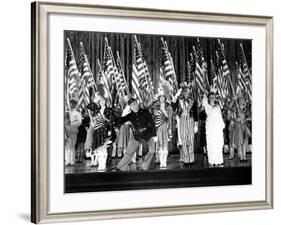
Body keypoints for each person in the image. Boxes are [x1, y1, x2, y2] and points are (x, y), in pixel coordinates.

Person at [112, 98, 158, 171]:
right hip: (137, 135)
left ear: (137, 103)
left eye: (135, 103)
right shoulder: (130, 115)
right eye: (132, 105)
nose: (134, 106)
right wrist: (113, 118)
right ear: (130, 106)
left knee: (152, 150)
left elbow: (152, 123)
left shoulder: (145, 112)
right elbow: (121, 120)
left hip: (147, 134)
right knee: (129, 152)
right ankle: (119, 167)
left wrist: (154, 135)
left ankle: (144, 167)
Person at [171, 84, 198, 165]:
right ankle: (186, 159)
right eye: (184, 92)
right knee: (184, 139)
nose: (186, 93)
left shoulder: (193, 101)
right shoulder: (179, 101)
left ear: (189, 93)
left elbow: (196, 113)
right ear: (182, 93)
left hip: (190, 120)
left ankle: (191, 159)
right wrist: (176, 94)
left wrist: (196, 125)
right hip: (182, 120)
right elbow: (172, 104)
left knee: (190, 139)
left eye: (187, 92)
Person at [87, 96, 115, 171]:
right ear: (99, 102)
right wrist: (96, 99)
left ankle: (103, 165)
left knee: (104, 149)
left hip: (105, 131)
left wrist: (110, 130)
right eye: (101, 101)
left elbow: (111, 121)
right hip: (98, 131)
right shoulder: (97, 111)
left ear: (105, 101)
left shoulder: (108, 110)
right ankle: (100, 165)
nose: (102, 102)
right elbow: (89, 106)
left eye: (103, 101)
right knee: (99, 149)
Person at [202, 92, 225, 166]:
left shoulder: (218, 107)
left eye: (213, 97)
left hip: (217, 128)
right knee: (211, 144)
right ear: (208, 98)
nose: (212, 98)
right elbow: (204, 102)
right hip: (211, 129)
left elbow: (220, 117)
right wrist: (205, 95)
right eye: (211, 97)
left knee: (218, 144)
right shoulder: (207, 106)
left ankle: (219, 160)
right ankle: (212, 160)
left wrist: (222, 126)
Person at [153, 92, 172, 168]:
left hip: (165, 126)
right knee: (160, 143)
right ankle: (161, 160)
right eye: (160, 97)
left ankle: (165, 160)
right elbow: (154, 117)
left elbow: (169, 118)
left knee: (165, 143)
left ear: (165, 98)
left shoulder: (168, 107)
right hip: (158, 127)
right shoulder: (155, 106)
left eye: (163, 97)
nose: (161, 98)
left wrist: (170, 128)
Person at [233, 96, 251, 161]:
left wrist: (244, 120)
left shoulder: (246, 110)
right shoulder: (236, 110)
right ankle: (241, 156)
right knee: (240, 142)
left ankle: (244, 156)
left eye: (242, 101)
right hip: (238, 127)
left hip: (244, 126)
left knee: (244, 141)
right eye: (240, 101)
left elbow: (250, 117)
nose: (241, 102)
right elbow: (234, 118)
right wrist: (237, 119)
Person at [65, 99, 82, 166]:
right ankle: (67, 160)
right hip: (66, 131)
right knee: (66, 146)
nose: (71, 105)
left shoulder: (77, 113)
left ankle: (72, 160)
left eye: (72, 104)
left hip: (73, 131)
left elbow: (79, 122)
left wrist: (71, 123)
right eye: (70, 103)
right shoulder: (66, 112)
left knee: (72, 146)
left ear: (75, 105)